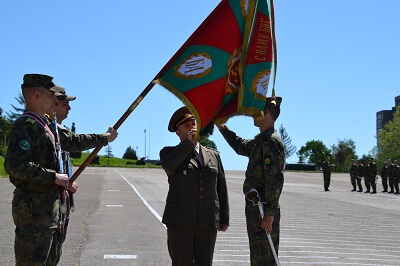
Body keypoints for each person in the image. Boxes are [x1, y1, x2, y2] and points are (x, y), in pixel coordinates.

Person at [4, 74, 118, 265]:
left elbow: (73, 141)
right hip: (33, 211)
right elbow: (15, 165)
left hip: (50, 210)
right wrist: (55, 178)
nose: (55, 99)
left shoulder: (46, 125)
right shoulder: (26, 126)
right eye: (51, 95)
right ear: (37, 95)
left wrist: (103, 138)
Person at [217, 96, 285, 265]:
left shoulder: (271, 141)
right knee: (258, 257)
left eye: (256, 112)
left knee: (265, 258)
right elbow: (239, 145)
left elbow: (275, 179)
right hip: (256, 209)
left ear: (266, 112)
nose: (252, 116)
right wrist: (221, 126)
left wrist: (270, 213)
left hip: (263, 210)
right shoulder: (261, 140)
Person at [160, 106, 229, 266]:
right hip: (181, 221)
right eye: (187, 126)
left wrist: (223, 217)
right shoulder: (169, 153)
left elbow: (221, 187)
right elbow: (170, 166)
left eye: (194, 123)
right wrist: (189, 144)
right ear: (178, 132)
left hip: (207, 221)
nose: (192, 127)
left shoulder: (213, 155)